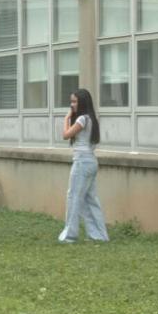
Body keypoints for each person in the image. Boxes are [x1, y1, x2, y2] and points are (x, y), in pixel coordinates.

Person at [59, 88, 109, 243]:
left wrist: (66, 119)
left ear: (82, 102)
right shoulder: (91, 119)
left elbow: (65, 135)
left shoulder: (82, 119)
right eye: (71, 101)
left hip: (82, 162)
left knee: (74, 197)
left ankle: (70, 235)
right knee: (90, 199)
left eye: (74, 101)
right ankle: (99, 235)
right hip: (91, 162)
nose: (71, 105)